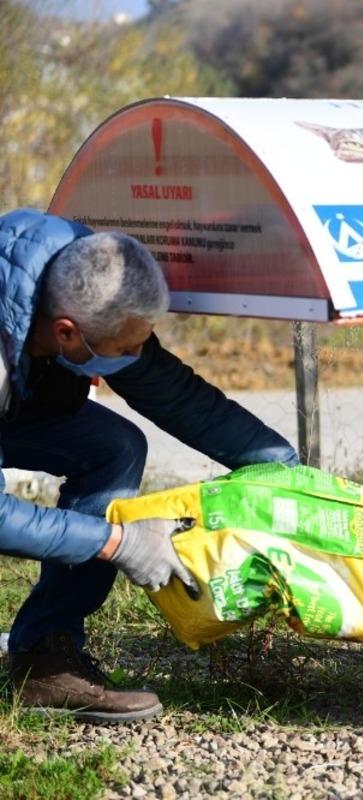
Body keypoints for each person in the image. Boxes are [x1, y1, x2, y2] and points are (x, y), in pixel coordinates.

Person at [0, 208, 299, 723]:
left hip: (18, 404)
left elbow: (175, 395)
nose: (135, 356)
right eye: (124, 349)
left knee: (113, 445)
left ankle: (45, 659)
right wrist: (117, 542)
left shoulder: (92, 273)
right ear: (67, 333)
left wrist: (284, 466)